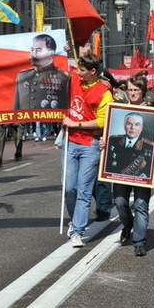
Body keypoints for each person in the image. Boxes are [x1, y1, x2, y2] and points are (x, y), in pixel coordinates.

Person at [103, 74, 154, 256]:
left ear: (143, 91)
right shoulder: (119, 111)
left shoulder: (153, 112)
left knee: (141, 205)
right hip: (120, 172)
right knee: (120, 202)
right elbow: (108, 141)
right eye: (130, 90)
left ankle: (139, 241)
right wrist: (104, 143)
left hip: (143, 171)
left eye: (136, 90)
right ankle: (128, 223)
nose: (133, 93)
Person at [61, 52, 113, 248]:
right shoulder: (74, 79)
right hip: (69, 142)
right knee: (69, 188)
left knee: (84, 190)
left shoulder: (104, 92)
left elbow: (102, 121)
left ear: (93, 71)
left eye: (82, 70)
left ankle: (77, 231)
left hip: (90, 144)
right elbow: (59, 69)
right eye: (78, 69)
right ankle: (74, 218)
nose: (78, 73)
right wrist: (66, 50)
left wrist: (76, 124)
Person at [13, 33, 69, 111]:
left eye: (38, 50)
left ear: (51, 54)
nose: (33, 54)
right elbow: (16, 108)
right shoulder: (22, 75)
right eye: (32, 50)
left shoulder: (63, 77)